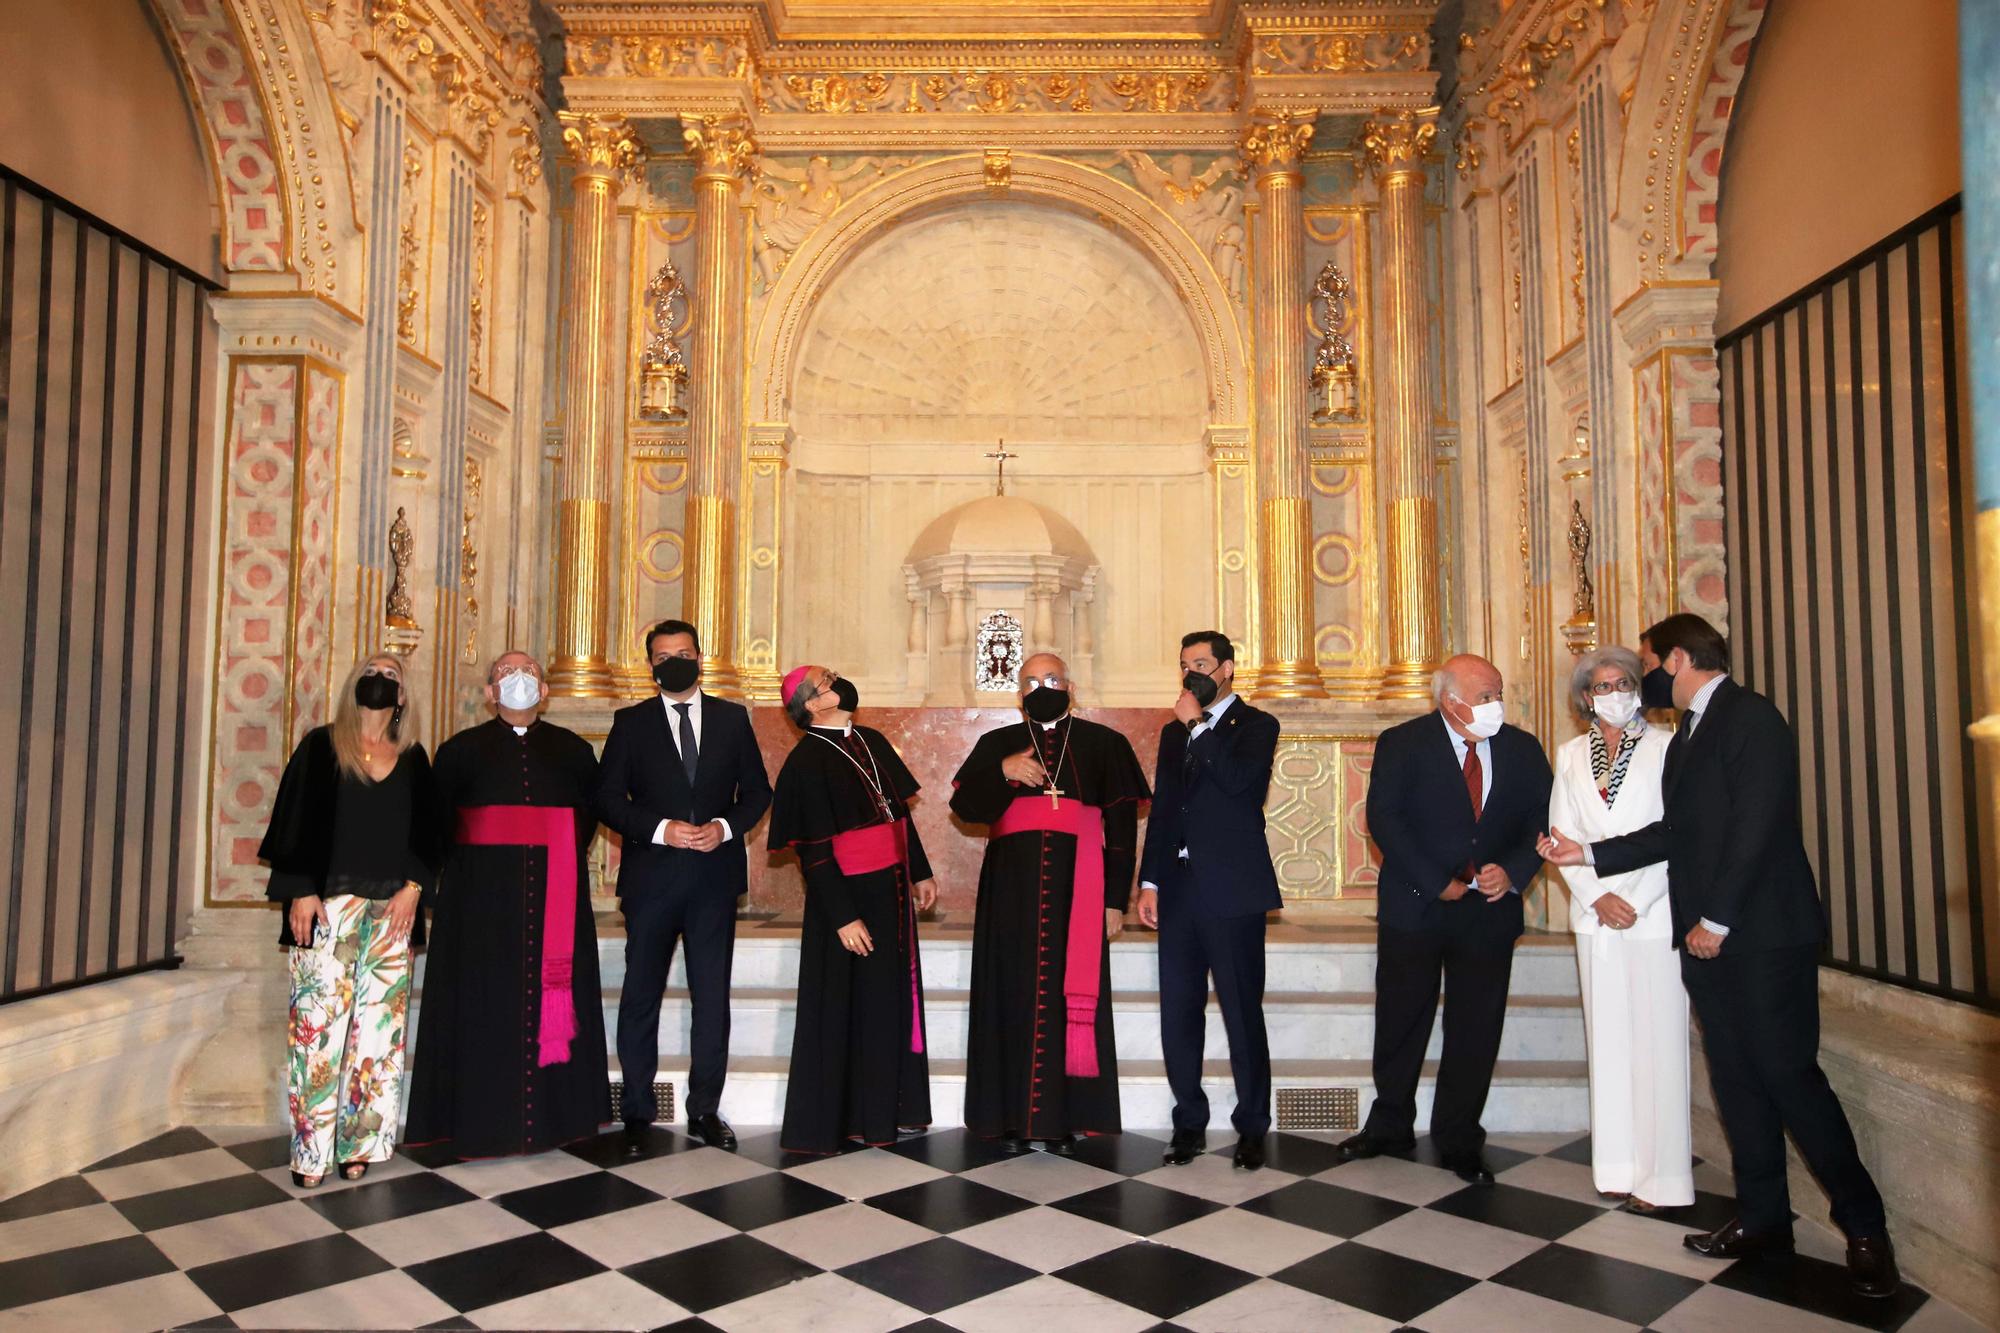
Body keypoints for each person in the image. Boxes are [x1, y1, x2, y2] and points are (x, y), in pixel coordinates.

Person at [1541, 613, 1898, 1297]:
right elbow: (1676, 832)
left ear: (1676, 658)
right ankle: (1764, 1217)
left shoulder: (1750, 717)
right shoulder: (1691, 735)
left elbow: (1758, 824)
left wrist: (1718, 917)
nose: (1644, 680)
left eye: (1648, 664)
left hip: (1760, 935)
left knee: (1792, 1079)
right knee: (1736, 1082)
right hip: (1707, 940)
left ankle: (1864, 1227)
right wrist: (1585, 853)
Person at [1340, 654, 1551, 1185]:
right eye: (1484, 696)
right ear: (1449, 700)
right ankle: (1390, 1123)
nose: (1494, 704)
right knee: (1401, 1018)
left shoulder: (1523, 750)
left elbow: (1543, 820)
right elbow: (1385, 819)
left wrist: (1517, 872)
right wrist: (1436, 880)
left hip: (1490, 913)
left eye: (1497, 693)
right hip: (1417, 904)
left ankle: (1459, 1136)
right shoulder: (1403, 742)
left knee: (1476, 1027)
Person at [405, 651, 611, 1159]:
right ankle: (480, 1122)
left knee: (554, 998)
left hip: (556, 898)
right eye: (506, 674)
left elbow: (586, 821)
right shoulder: (458, 751)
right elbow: (437, 828)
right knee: (481, 1007)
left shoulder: (574, 751)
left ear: (545, 691)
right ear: (490, 693)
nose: (519, 680)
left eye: (530, 673)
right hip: (479, 905)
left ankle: (559, 1120)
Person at [951, 652, 1150, 1153]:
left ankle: (1068, 1116)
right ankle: (1009, 1117)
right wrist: (1001, 770)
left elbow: (1122, 833)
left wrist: (1114, 899)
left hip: (1078, 889)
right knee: (1011, 994)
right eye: (1032, 680)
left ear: (1072, 686)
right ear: (1019, 693)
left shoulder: (1105, 744)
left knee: (1069, 995)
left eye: (1053, 678)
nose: (1043, 686)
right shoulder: (996, 743)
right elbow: (966, 808)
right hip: (1010, 894)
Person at [260, 655, 441, 1188]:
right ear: (354, 684)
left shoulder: (413, 758)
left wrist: (413, 890)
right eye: (373, 670)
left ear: (402, 696)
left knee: (379, 1037)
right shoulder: (321, 746)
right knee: (316, 1035)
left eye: (392, 674)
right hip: (327, 907)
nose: (381, 679)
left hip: (393, 913)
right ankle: (310, 1150)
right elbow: (292, 823)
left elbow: (431, 838)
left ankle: (359, 1142)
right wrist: (301, 891)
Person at [595, 620, 772, 1154]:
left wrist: (721, 829)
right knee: (640, 994)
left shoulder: (732, 718)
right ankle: (637, 1112)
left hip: (713, 880)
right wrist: (660, 829)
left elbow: (758, 792)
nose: (674, 660)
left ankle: (705, 1110)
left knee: (711, 998)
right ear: (651, 665)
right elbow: (606, 799)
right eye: (663, 654)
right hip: (651, 878)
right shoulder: (630, 723)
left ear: (701, 656)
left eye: (684, 652)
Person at [769, 665, 939, 1153]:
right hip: (844, 899)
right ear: (814, 703)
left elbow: (898, 816)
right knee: (849, 1006)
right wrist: (843, 916)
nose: (840, 682)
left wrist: (919, 871)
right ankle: (849, 1117)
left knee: (888, 1001)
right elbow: (815, 850)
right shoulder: (805, 762)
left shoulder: (870, 740)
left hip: (890, 889)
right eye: (829, 679)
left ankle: (894, 1109)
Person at [1546, 646, 1691, 1212]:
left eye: (1623, 682)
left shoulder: (1666, 747)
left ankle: (1665, 1180)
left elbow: (1674, 832)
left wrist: (1631, 898)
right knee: (1608, 1044)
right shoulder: (1570, 754)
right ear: (1585, 698)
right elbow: (1563, 837)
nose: (1613, 693)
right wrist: (1598, 896)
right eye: (1601, 686)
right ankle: (1617, 1168)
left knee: (1658, 1048)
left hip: (1653, 912)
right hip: (1596, 915)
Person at [1134, 631, 1281, 1170]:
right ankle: (1189, 1122)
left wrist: (1198, 725)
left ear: (1227, 670)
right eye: (1183, 664)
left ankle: (1251, 1127)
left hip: (1233, 889)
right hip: (1178, 889)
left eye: (1200, 663)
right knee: (1179, 1011)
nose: (1190, 672)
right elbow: (1166, 810)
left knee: (1242, 1010)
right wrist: (1149, 882)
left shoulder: (1257, 725)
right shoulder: (1174, 736)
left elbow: (1242, 784)